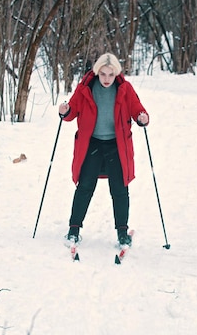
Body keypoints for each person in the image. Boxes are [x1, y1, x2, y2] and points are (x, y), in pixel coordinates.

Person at [58, 53, 149, 247]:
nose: (107, 79)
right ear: (97, 72)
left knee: (120, 188)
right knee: (85, 187)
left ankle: (122, 233)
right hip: (92, 144)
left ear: (116, 73)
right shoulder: (86, 88)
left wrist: (142, 117)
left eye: (110, 74)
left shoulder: (125, 89)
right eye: (103, 74)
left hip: (117, 145)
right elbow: (71, 111)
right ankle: (73, 230)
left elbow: (138, 110)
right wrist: (64, 110)